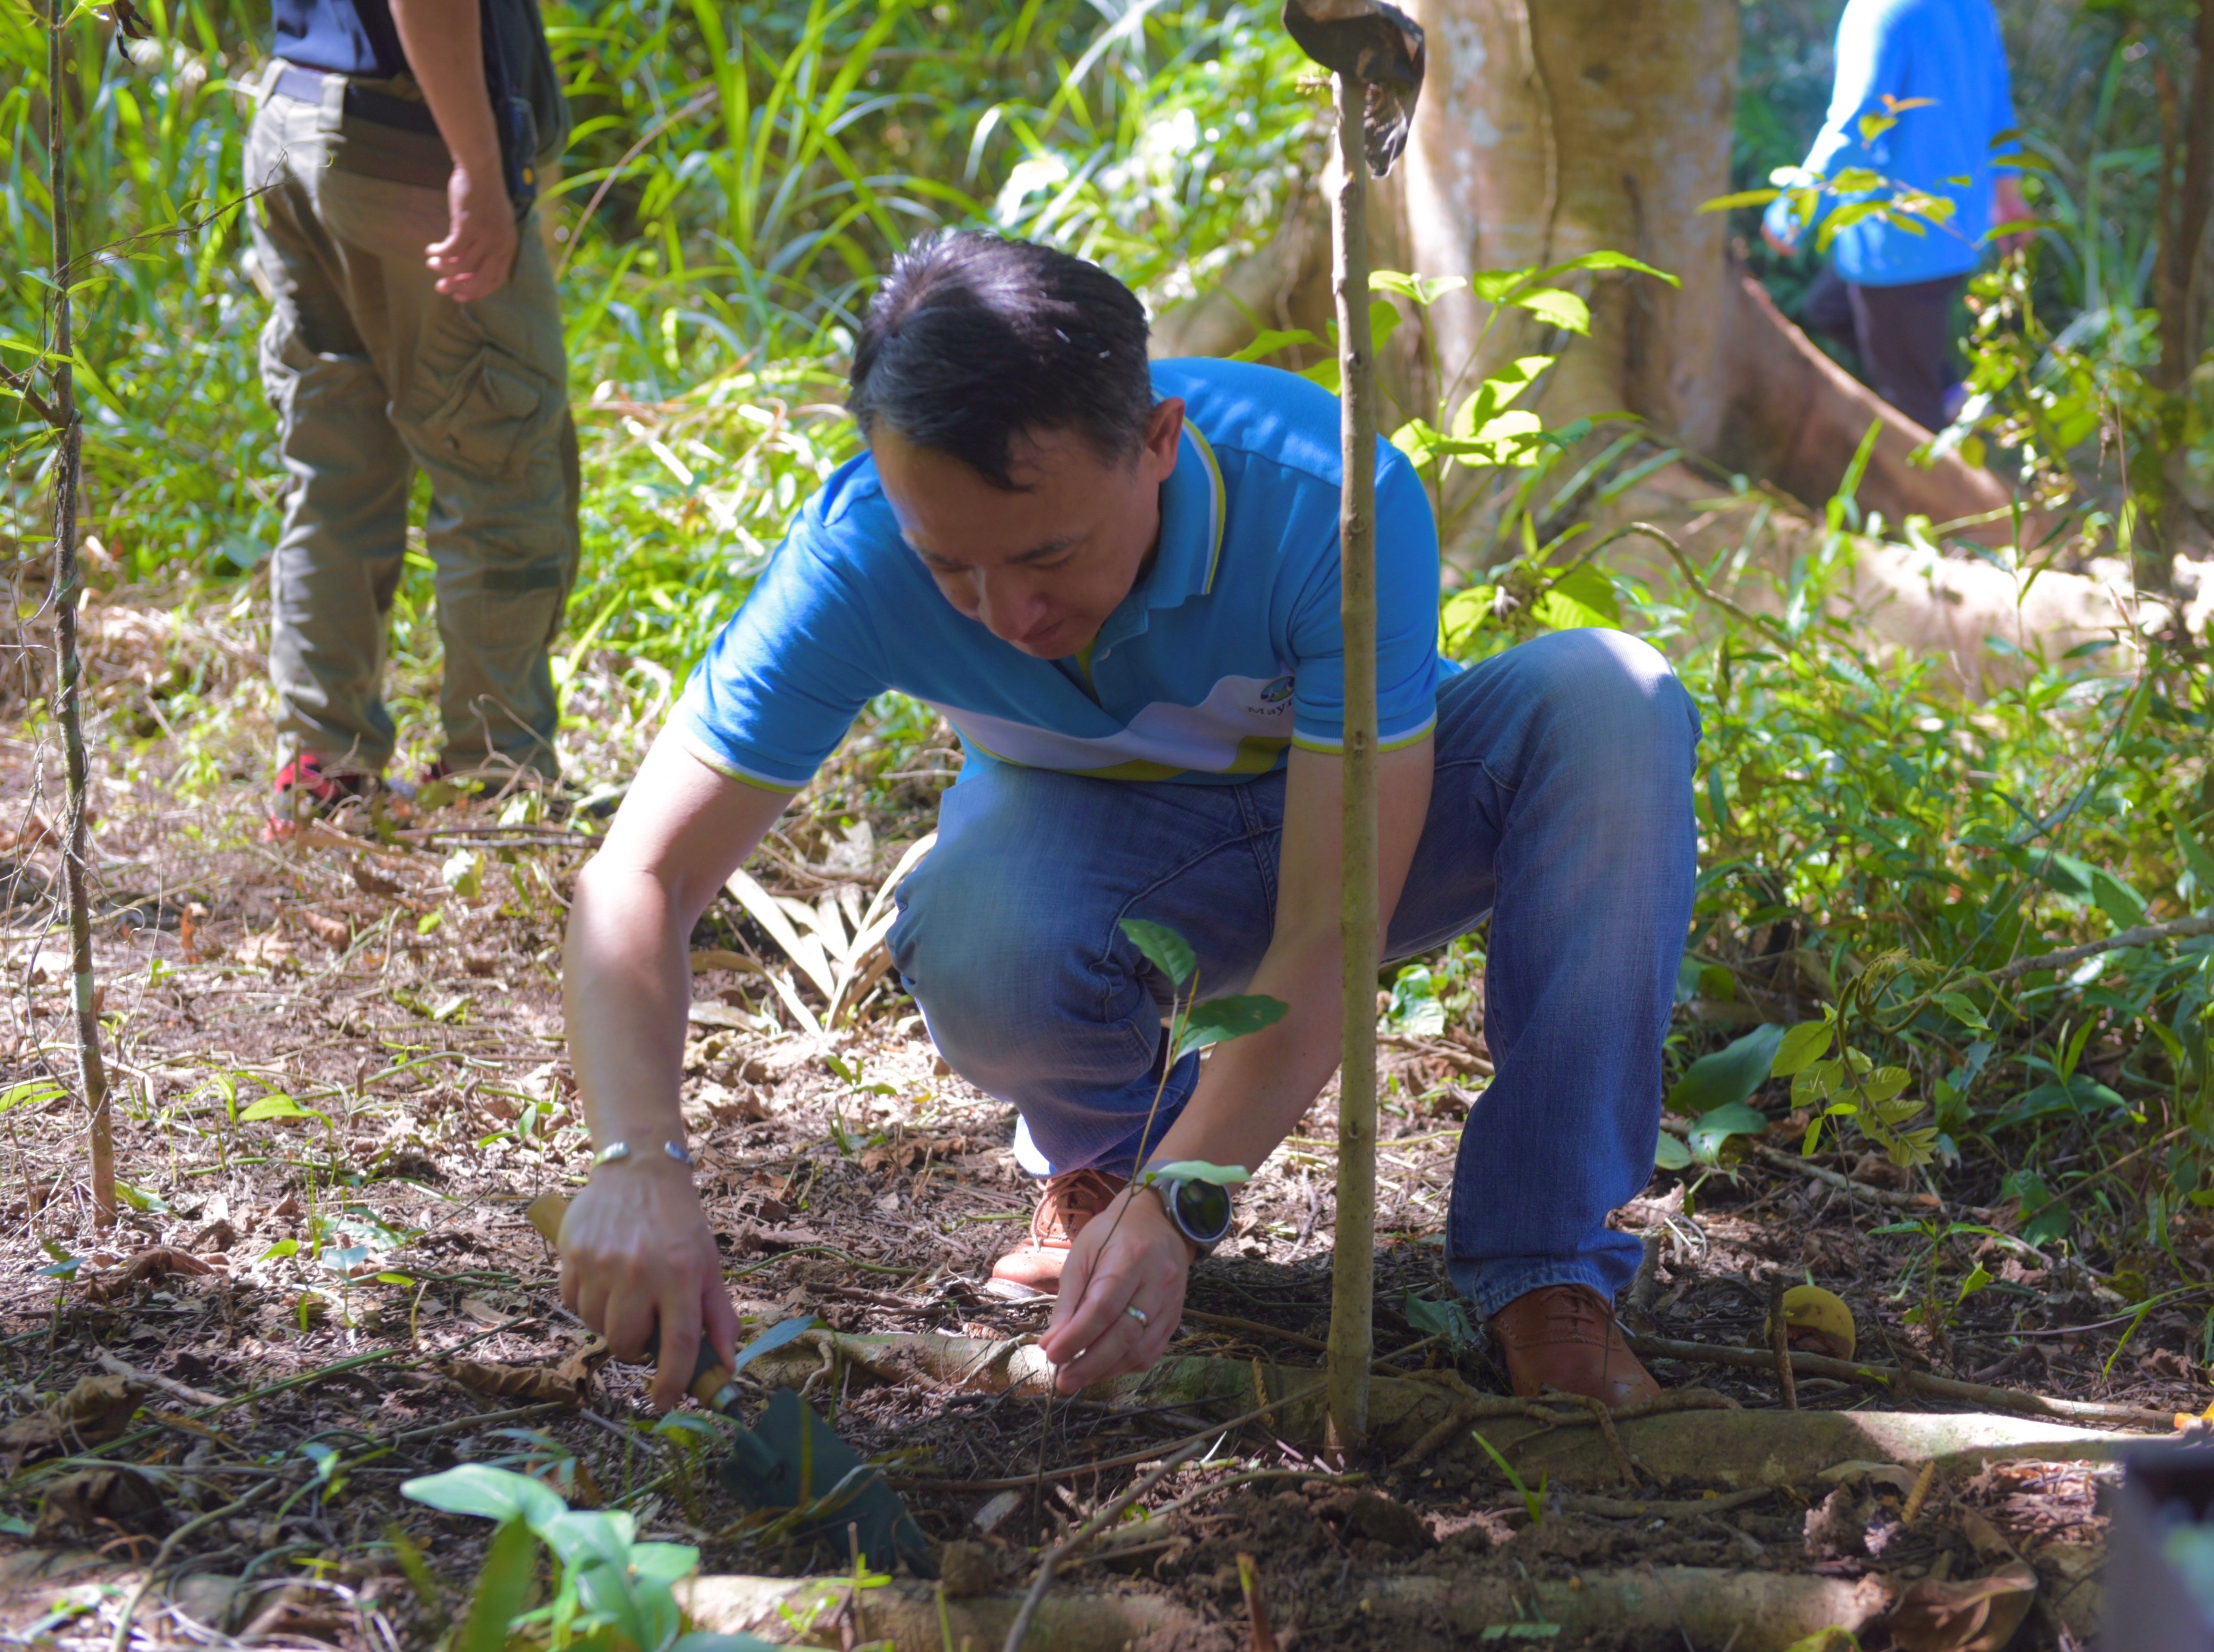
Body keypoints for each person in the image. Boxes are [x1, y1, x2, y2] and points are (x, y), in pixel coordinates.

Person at [556, 232, 1701, 1414]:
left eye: (1049, 552)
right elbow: (635, 876)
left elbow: (1327, 931)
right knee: (977, 916)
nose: (1008, 612)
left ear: (1157, 442)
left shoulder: (1325, 497)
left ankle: (1546, 1264)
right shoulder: (858, 558)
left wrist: (1189, 1200)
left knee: (1615, 703)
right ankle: (1104, 1167)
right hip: (1104, 858)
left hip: (1374, 827)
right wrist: (639, 1161)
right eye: (951, 566)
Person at [246, 0, 579, 829]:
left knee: (333, 467)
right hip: (410, 143)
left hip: (294, 114)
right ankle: (494, 781)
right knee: (499, 468)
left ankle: (325, 767)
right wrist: (477, 162)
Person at [1761, 0, 2027, 433]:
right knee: (1828, 309)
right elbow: (1998, 105)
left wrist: (1791, 211)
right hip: (1954, 230)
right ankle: (1946, 393)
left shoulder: (1880, 11)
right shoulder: (1973, 6)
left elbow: (1856, 123)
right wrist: (2009, 199)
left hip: (1898, 246)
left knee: (1909, 408)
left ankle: (1940, 489)